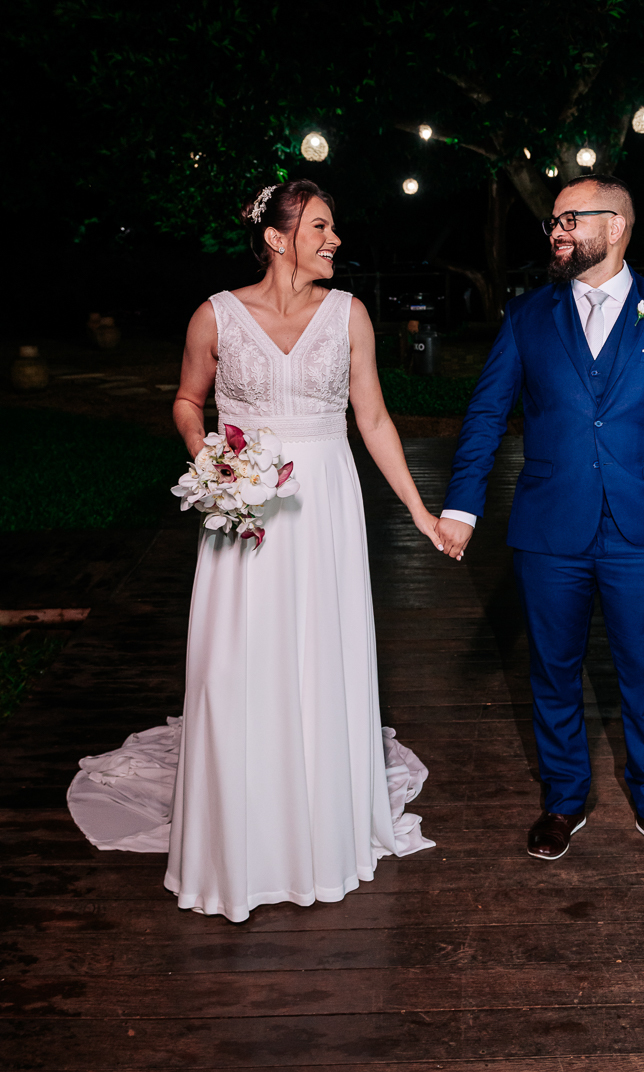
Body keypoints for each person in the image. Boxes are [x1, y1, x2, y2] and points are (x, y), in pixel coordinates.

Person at [67, 179, 439, 920]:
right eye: (321, 228)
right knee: (240, 660)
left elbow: (372, 419)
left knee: (319, 655)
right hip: (247, 510)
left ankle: (320, 823)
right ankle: (245, 832)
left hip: (325, 503)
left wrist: (420, 511)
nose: (335, 240)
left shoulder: (350, 315)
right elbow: (186, 399)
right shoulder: (216, 316)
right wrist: (208, 458)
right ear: (277, 237)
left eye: (335, 228)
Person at [435, 175, 644, 869]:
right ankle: (564, 799)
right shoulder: (529, 316)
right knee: (553, 668)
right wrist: (461, 504)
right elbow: (485, 414)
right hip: (549, 529)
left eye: (570, 219)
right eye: (554, 222)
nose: (556, 231)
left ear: (616, 227)